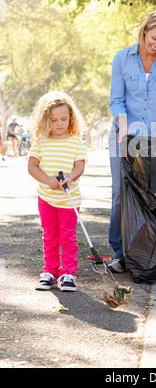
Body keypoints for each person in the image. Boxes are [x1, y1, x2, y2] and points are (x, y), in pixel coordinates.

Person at [108, 10, 156, 272]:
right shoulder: (122, 58)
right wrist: (124, 127)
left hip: (155, 137)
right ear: (144, 31)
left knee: (155, 195)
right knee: (121, 193)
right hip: (124, 132)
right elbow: (116, 99)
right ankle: (120, 253)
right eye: (154, 38)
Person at [28, 91, 87, 291]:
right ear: (46, 120)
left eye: (63, 119)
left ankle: (68, 273)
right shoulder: (41, 141)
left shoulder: (76, 141)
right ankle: (50, 272)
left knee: (68, 237)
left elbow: (79, 166)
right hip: (46, 198)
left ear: (70, 118)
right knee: (50, 236)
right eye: (54, 120)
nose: (59, 123)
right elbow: (32, 166)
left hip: (69, 200)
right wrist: (47, 180)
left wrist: (70, 178)